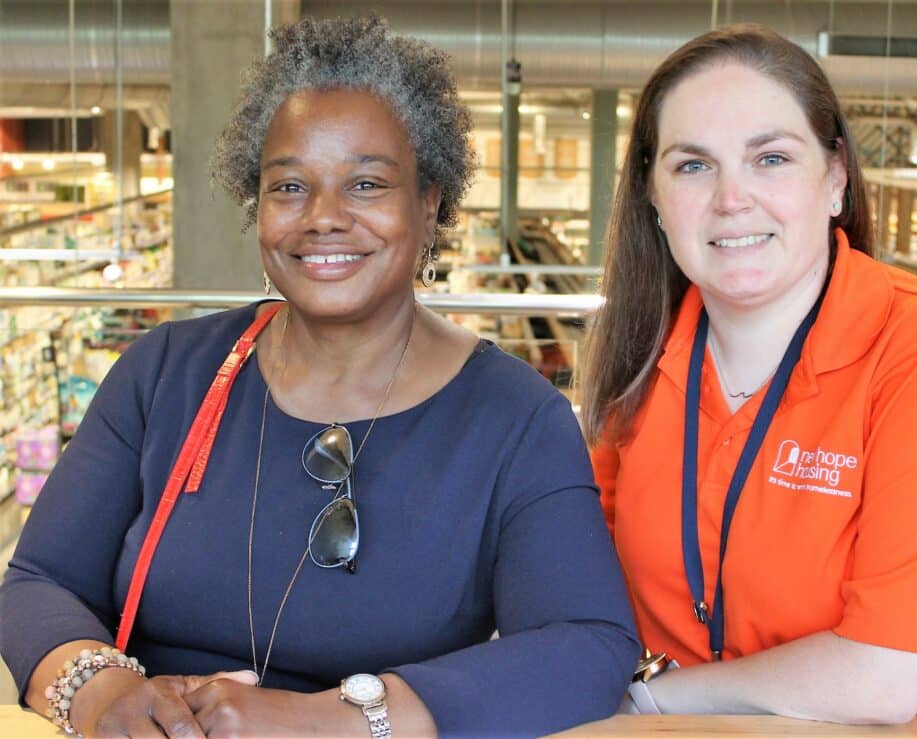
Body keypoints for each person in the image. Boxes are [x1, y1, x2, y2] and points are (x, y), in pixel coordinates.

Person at [0, 15, 639, 738]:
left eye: (366, 184)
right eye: (289, 186)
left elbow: (587, 644)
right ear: (257, 204)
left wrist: (327, 718)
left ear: (429, 203)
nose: (323, 218)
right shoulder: (164, 374)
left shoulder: (515, 419)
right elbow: (38, 580)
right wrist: (102, 692)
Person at [583, 23, 917, 722]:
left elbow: (888, 673)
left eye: (771, 159)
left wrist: (652, 698)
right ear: (653, 199)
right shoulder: (642, 364)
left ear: (836, 178)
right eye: (693, 165)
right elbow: (581, 598)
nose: (732, 198)